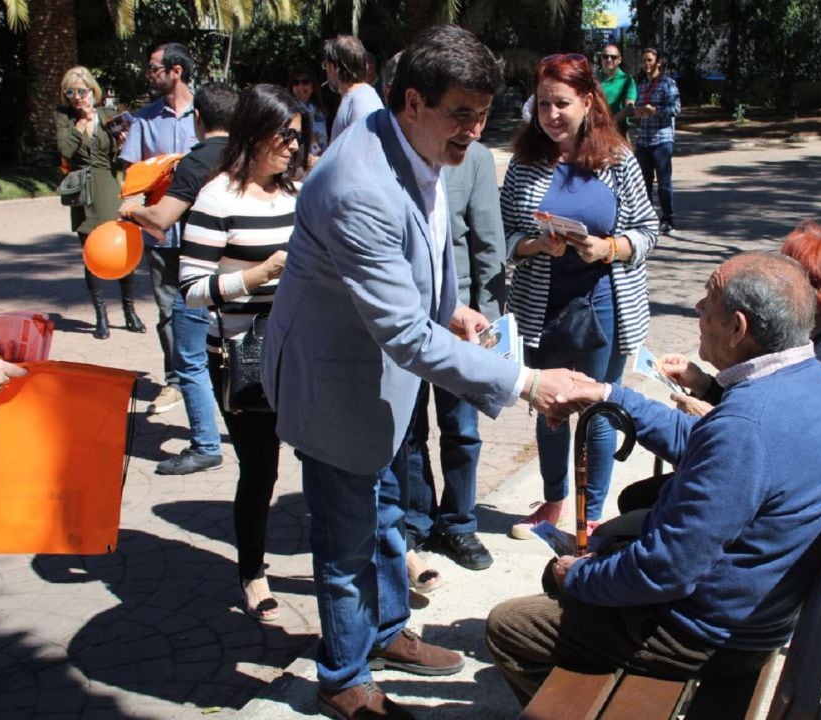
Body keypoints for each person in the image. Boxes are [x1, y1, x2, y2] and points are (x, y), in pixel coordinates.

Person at [261, 24, 586, 720]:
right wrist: (527, 383)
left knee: (385, 517)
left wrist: (454, 309)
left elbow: (428, 249)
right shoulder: (359, 186)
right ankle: (345, 676)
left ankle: (384, 633)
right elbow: (402, 331)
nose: (474, 131)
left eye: (483, 114)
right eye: (461, 115)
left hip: (384, 373)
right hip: (335, 383)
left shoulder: (416, 138)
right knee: (345, 541)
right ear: (413, 101)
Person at [485, 252, 821, 710]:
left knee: (510, 624)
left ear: (739, 328)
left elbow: (666, 569)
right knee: (602, 549)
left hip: (711, 634)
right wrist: (608, 395)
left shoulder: (748, 426)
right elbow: (705, 443)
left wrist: (581, 576)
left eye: (709, 298)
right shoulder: (806, 380)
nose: (698, 309)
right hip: (759, 608)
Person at [500, 52, 658, 541]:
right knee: (549, 406)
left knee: (595, 408)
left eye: (562, 103)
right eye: (543, 104)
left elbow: (648, 230)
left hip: (605, 303)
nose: (551, 115)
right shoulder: (525, 163)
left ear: (588, 101)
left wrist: (609, 247)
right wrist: (534, 245)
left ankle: (591, 515)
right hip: (541, 306)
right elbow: (504, 235)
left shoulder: (618, 159)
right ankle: (553, 501)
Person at [377, 50, 509, 579]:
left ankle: (458, 521)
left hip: (460, 324)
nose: (471, 129)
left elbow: (487, 244)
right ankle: (413, 520)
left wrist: (491, 323)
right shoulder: (381, 162)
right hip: (402, 321)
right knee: (407, 431)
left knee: (462, 430)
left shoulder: (472, 159)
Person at [179, 84, 308, 622]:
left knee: (325, 460)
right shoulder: (216, 198)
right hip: (242, 355)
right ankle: (252, 573)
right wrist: (255, 276)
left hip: (299, 349)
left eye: (299, 138)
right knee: (260, 471)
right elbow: (190, 289)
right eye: (284, 135)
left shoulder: (295, 195)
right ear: (254, 132)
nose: (292, 147)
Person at [661, 223, 821, 442]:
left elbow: (779, 445)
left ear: (811, 295)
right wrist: (703, 384)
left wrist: (710, 420)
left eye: (782, 277)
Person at [120, 82, 238, 476]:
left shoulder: (196, 161)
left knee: (190, 360)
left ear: (199, 119)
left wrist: (134, 209)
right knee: (246, 352)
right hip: (245, 273)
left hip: (200, 274)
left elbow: (162, 220)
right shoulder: (249, 156)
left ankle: (205, 443)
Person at [120, 42, 199, 416]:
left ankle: (212, 375)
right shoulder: (144, 119)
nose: (148, 74)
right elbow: (131, 177)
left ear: (176, 71)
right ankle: (175, 381)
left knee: (214, 303)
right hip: (161, 233)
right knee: (168, 308)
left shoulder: (208, 113)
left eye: (154, 68)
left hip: (207, 230)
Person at [55, 66, 145, 340]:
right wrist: (80, 124)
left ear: (92, 91)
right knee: (91, 254)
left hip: (107, 186)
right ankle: (101, 317)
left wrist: (124, 141)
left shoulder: (108, 116)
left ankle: (130, 312)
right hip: (83, 192)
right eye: (70, 92)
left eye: (81, 91)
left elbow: (125, 156)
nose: (76, 97)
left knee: (123, 251)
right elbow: (65, 151)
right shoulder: (64, 117)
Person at [633, 47, 681, 235]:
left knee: (663, 183)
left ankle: (668, 219)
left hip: (662, 140)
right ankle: (648, 219)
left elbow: (676, 109)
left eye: (650, 60)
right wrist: (637, 112)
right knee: (644, 182)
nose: (646, 64)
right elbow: (639, 108)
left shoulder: (667, 84)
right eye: (644, 60)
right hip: (644, 140)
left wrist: (656, 110)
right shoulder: (642, 86)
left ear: (658, 62)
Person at [324, 35, 384, 143]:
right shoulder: (357, 97)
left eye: (326, 66)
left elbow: (365, 150)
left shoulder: (362, 100)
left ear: (334, 68)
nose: (326, 71)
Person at [597, 44, 636, 138]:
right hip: (596, 131)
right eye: (605, 56)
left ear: (619, 60)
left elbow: (629, 108)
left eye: (613, 57)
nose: (609, 60)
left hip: (618, 133)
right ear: (601, 58)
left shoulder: (627, 80)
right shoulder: (593, 79)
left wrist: (610, 122)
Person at [288, 68, 329, 155]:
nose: (300, 87)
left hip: (320, 157)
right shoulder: (289, 111)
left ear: (313, 86)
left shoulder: (319, 111)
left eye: (305, 82)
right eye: (296, 83)